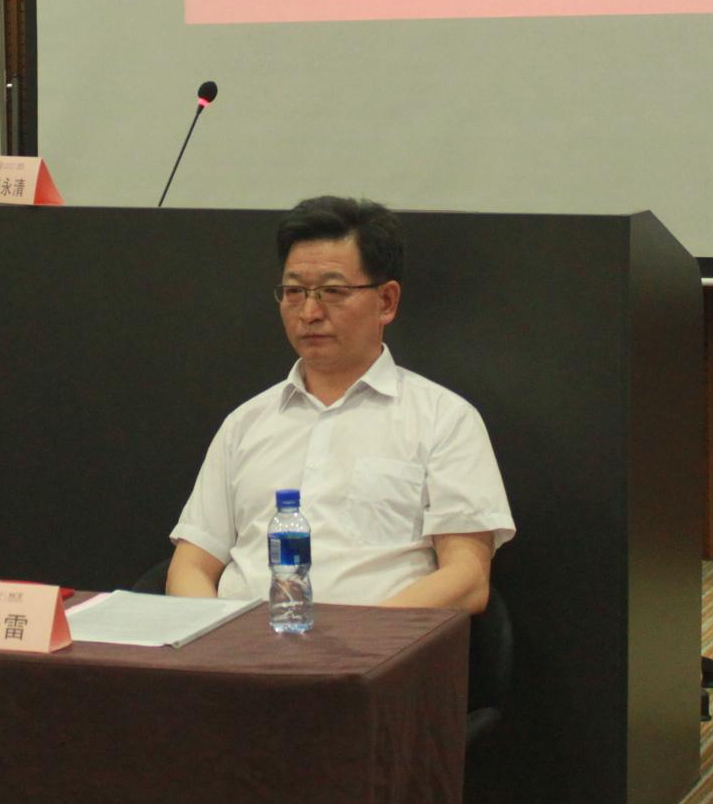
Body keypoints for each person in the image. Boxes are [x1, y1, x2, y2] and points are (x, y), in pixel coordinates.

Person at [167, 196, 514, 611]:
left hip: (377, 644)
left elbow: (468, 579)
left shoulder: (444, 419)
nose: (310, 312)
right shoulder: (245, 423)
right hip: (242, 642)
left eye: (332, 291)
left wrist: (356, 639)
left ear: (386, 301)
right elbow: (190, 566)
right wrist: (213, 637)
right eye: (294, 292)